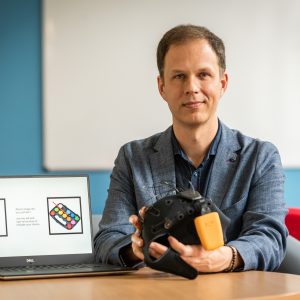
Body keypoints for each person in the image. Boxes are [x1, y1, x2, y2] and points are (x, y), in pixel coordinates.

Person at [94, 24, 288, 273]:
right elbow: (107, 240)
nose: (192, 88)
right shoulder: (132, 158)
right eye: (179, 76)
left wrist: (224, 257)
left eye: (204, 74)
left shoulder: (260, 157)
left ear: (223, 83)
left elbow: (269, 238)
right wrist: (136, 249)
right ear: (162, 86)